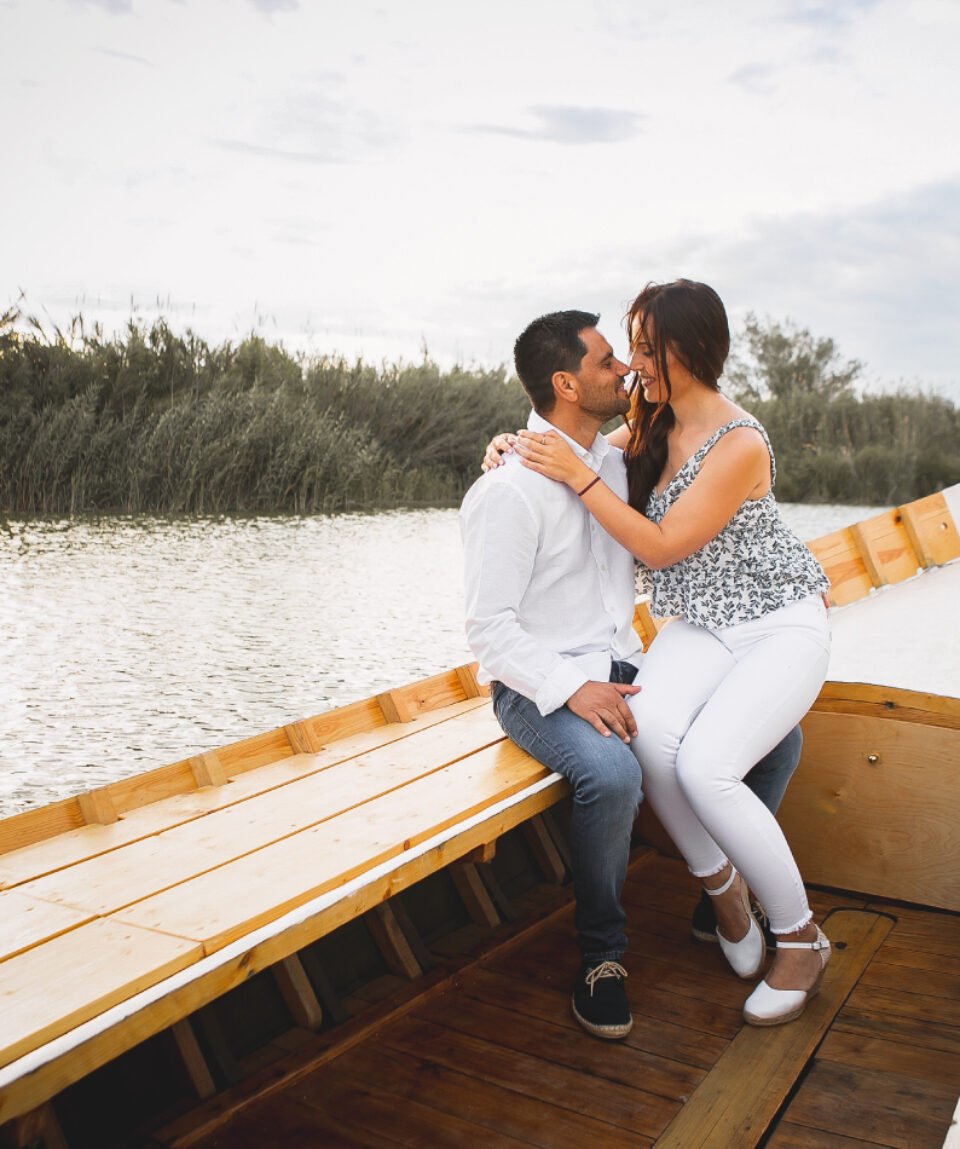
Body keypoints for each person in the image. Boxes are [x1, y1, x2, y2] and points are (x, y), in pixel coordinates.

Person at [460, 309, 802, 1041]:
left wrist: (796, 576)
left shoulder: (616, 459)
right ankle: (601, 959)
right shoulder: (508, 488)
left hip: (627, 667)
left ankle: (719, 894)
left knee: (780, 739)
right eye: (608, 360)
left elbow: (718, 514)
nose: (625, 370)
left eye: (627, 356)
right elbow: (488, 631)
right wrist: (572, 689)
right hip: (538, 685)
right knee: (612, 775)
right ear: (565, 383)